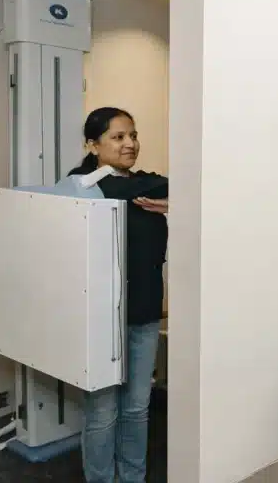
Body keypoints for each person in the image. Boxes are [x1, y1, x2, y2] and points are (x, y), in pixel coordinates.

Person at [68, 107, 168, 483]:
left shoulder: (143, 183)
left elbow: (175, 185)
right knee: (102, 411)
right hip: (102, 320)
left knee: (138, 408)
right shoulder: (82, 184)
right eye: (118, 137)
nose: (131, 143)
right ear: (92, 145)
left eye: (133, 135)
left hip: (143, 314)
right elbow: (120, 189)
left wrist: (173, 205)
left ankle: (132, 478)